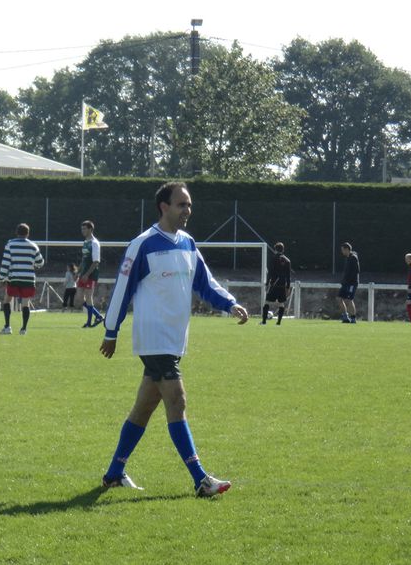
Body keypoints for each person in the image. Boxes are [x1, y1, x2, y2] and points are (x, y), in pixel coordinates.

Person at [99, 181, 249, 498]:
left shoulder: (188, 244)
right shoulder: (143, 244)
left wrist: (229, 303)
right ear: (163, 207)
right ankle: (200, 479)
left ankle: (114, 473)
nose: (187, 210)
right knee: (177, 401)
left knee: (144, 407)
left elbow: (206, 284)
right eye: (181, 204)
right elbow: (121, 290)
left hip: (173, 340)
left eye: (189, 204)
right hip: (154, 338)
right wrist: (111, 331)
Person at [0, 223, 45, 335]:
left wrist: (1, 277)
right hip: (28, 278)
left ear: (16, 232)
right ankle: (23, 329)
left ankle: (7, 327)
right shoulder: (33, 245)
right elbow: (40, 262)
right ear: (28, 233)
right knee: (25, 303)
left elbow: (6, 262)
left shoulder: (10, 244)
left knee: (7, 300)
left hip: (14, 278)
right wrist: (34, 264)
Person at [79, 220, 104, 328]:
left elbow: (96, 261)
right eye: (82, 228)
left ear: (90, 229)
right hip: (83, 274)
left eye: (84, 228)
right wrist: (78, 272)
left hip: (91, 275)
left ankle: (89, 322)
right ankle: (98, 315)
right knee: (79, 298)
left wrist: (87, 274)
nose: (82, 231)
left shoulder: (94, 243)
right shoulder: (85, 242)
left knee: (89, 297)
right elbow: (83, 259)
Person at [261, 242, 292, 325]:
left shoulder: (273, 258)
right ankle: (278, 322)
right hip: (282, 285)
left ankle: (264, 321)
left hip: (274, 284)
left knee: (267, 302)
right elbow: (288, 276)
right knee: (281, 303)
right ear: (283, 249)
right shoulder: (287, 261)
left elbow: (270, 272)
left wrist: (267, 283)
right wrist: (288, 286)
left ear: (275, 249)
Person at [338, 242, 360, 324]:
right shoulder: (347, 258)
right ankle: (345, 317)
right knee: (339, 298)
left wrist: (350, 281)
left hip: (352, 283)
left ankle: (353, 318)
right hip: (345, 283)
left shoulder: (353, 258)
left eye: (343, 250)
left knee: (349, 299)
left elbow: (357, 271)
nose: (342, 252)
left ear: (347, 249)